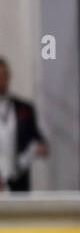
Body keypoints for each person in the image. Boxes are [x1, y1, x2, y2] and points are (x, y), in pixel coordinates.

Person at [0, 57, 49, 193]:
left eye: (3, 75)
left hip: (18, 182)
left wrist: (39, 147)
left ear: (9, 76)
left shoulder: (24, 109)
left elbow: (37, 138)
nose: (1, 80)